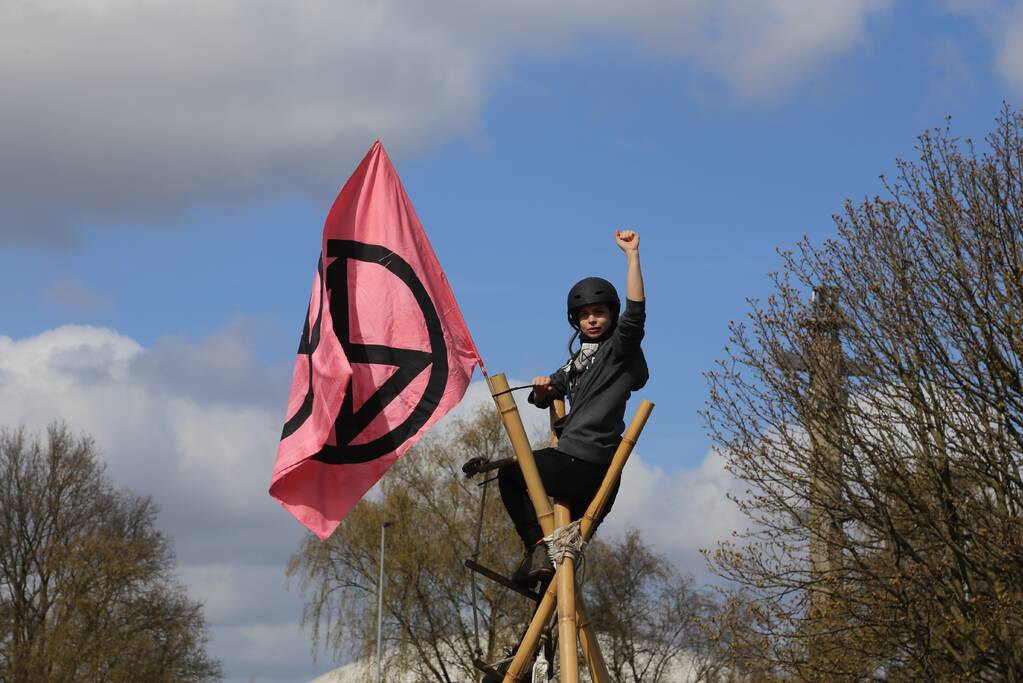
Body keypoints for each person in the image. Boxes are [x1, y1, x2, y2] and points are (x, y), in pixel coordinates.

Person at [498, 229, 648, 588]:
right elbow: (549, 391)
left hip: (587, 464)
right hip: (576, 465)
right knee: (559, 571)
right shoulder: (576, 361)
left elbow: (636, 313)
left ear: (611, 315)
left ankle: (535, 546)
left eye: (599, 313)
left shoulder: (618, 351)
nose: (592, 320)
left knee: (511, 476)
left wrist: (632, 257)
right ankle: (540, 577)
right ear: (575, 321)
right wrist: (541, 390)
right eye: (584, 315)